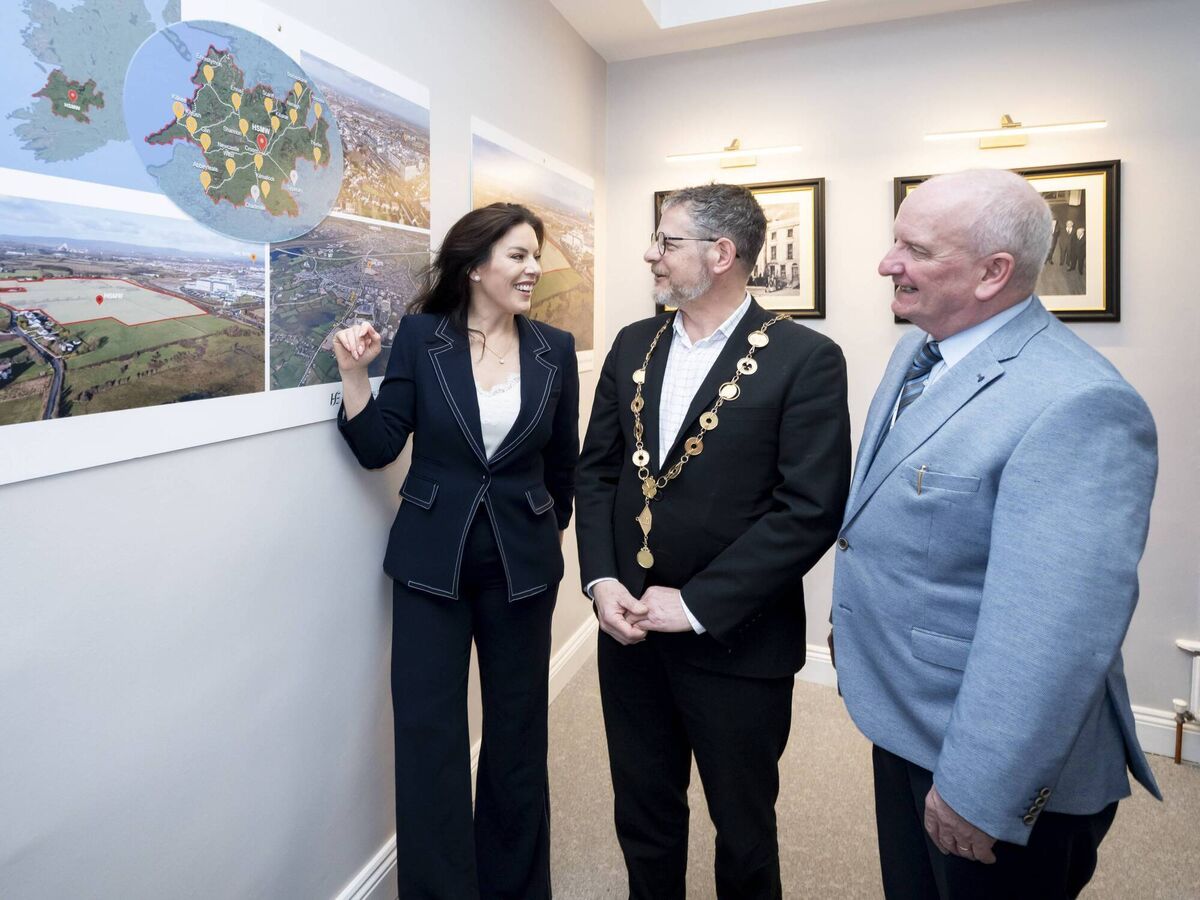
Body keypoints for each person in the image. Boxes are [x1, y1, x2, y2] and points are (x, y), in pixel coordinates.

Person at [830, 169, 1160, 900]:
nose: (888, 263)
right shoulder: (921, 349)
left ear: (992, 274)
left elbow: (1054, 634)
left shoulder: (1080, 403)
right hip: (908, 716)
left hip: (985, 758)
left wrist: (982, 790)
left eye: (914, 249)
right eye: (895, 241)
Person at [576, 183, 851, 899]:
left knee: (744, 826)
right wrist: (602, 581)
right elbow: (598, 472)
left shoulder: (806, 359)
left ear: (721, 254)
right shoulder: (635, 344)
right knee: (643, 813)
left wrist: (694, 605)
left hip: (737, 642)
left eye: (666, 242)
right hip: (628, 632)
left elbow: (810, 510)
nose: (650, 255)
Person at [333, 203, 579, 899]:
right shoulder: (420, 338)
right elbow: (380, 446)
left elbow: (564, 466)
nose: (534, 269)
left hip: (522, 569)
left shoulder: (553, 348)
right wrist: (356, 376)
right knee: (428, 737)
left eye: (536, 255)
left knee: (517, 739)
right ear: (475, 267)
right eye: (518, 256)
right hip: (428, 564)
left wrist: (540, 530)